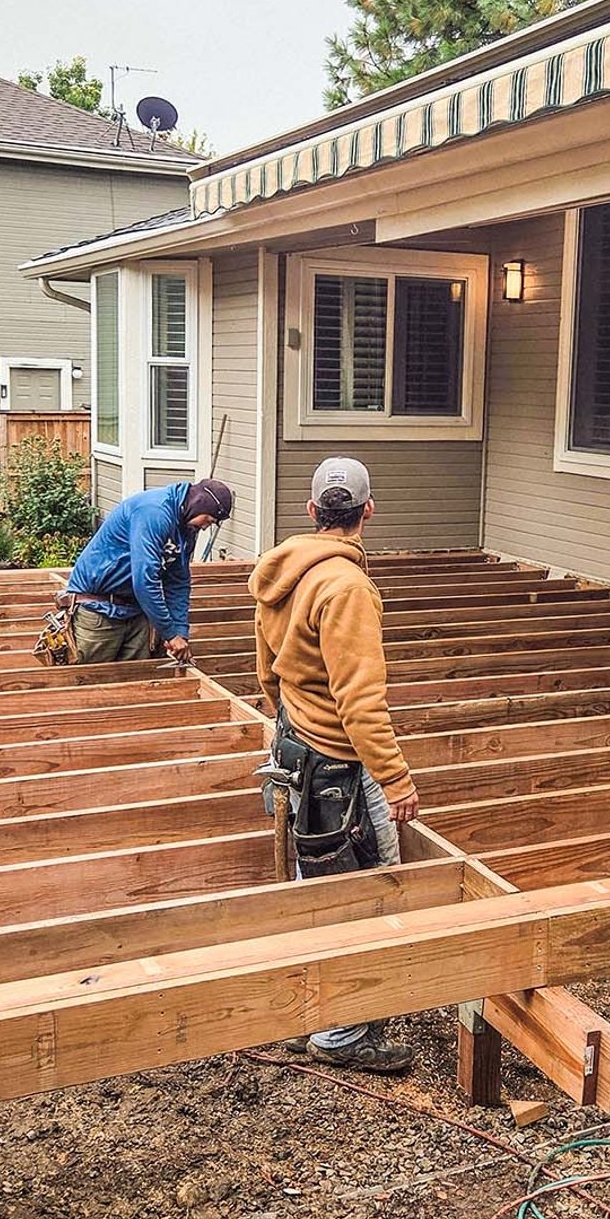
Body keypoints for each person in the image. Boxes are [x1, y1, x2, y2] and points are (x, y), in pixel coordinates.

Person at [250, 456, 420, 1074]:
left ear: (311, 511)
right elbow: (360, 698)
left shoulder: (281, 574)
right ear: (367, 512)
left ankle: (310, 1008)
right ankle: (344, 1034)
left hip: (294, 744)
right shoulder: (347, 588)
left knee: (313, 882)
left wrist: (288, 720)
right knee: (369, 891)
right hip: (338, 766)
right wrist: (395, 778)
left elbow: (266, 670)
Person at [62, 478, 233, 664]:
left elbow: (178, 582)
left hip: (136, 611)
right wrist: (170, 634)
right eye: (208, 519)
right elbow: (144, 582)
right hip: (99, 609)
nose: (205, 526)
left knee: (138, 684)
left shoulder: (187, 527)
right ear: (198, 503)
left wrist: (180, 632)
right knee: (93, 683)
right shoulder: (154, 512)